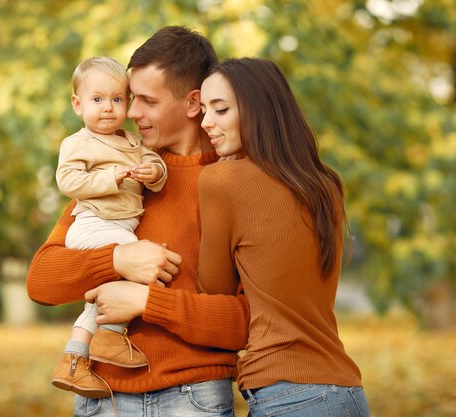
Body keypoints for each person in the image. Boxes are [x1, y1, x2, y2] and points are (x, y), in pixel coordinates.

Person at [27, 26, 249, 417]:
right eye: (130, 98)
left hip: (194, 399)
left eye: (145, 100)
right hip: (102, 400)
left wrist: (149, 301)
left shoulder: (234, 183)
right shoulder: (117, 171)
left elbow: (247, 322)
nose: (129, 113)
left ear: (193, 103)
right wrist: (116, 260)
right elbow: (42, 281)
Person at [197, 58, 371, 417]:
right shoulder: (323, 184)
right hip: (347, 394)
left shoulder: (221, 181)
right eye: (203, 110)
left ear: (260, 109)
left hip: (288, 396)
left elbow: (214, 288)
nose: (205, 123)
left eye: (221, 109)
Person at [51, 56, 168, 398]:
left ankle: (74, 360)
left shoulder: (132, 142)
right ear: (77, 104)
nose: (108, 108)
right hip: (95, 224)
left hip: (118, 228)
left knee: (104, 296)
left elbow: (153, 159)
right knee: (140, 270)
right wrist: (112, 177)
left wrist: (155, 172)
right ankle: (111, 336)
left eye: (117, 100)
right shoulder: (79, 143)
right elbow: (68, 179)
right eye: (97, 99)